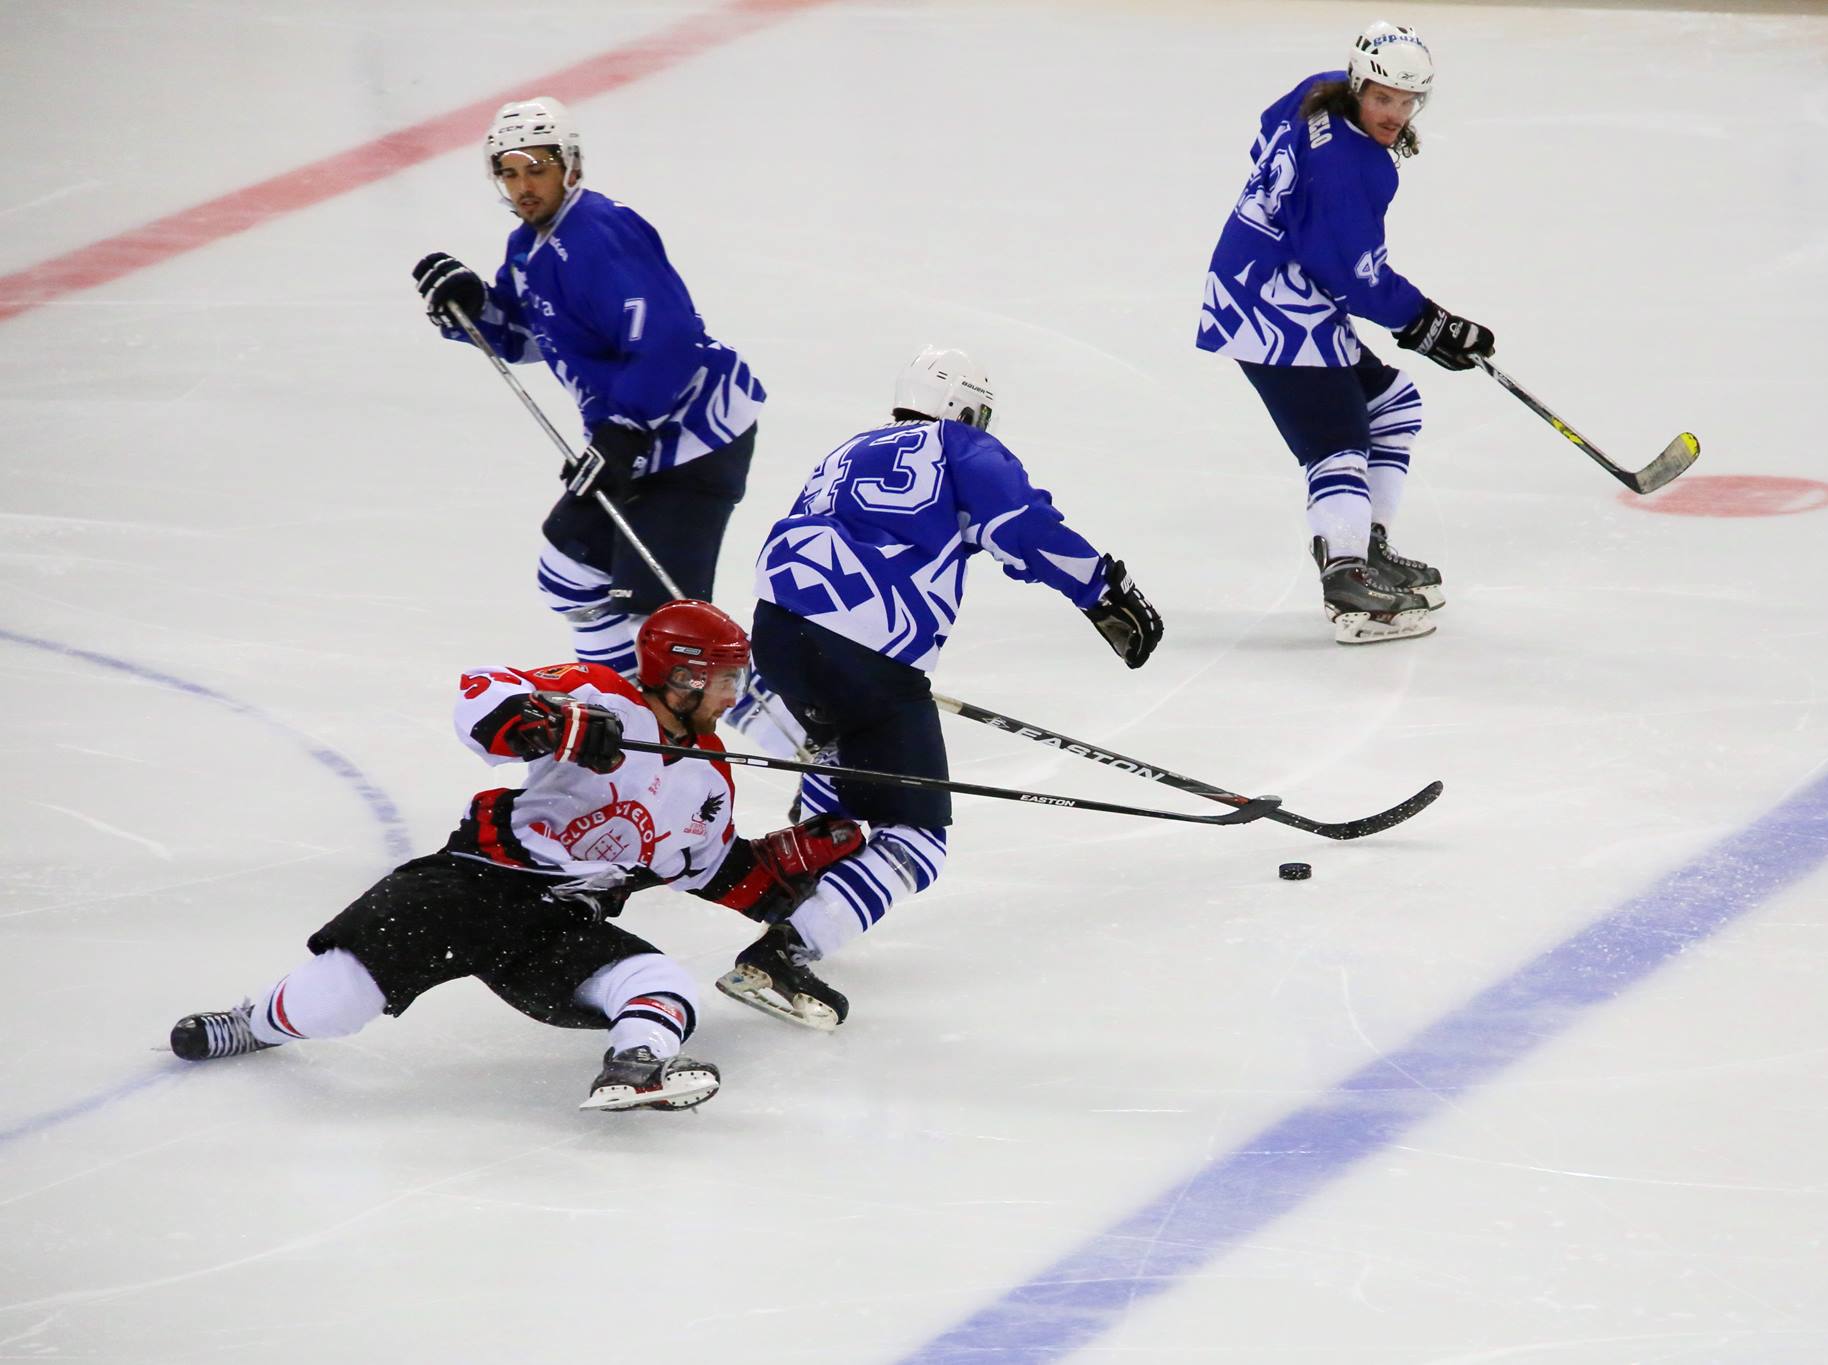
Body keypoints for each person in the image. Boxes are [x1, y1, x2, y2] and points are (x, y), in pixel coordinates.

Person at [167, 601, 864, 1113]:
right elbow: (481, 692)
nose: (735, 694)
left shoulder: (709, 774)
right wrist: (550, 724)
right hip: (472, 885)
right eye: (723, 679)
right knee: (341, 1000)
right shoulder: (600, 695)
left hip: (559, 925)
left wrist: (782, 868)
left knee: (662, 982)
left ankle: (636, 1062)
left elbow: (705, 868)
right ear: (681, 678)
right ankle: (248, 1023)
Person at [720, 346, 1163, 1029]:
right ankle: (788, 949)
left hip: (775, 632)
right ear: (962, 407)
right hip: (868, 657)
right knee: (917, 838)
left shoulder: (847, 450)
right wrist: (1107, 590)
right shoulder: (959, 446)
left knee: (836, 750)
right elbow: (1022, 529)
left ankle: (803, 875)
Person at [410, 97, 766, 674]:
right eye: (510, 172)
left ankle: (777, 735)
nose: (523, 185)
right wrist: (474, 309)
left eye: (537, 168)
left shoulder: (599, 233)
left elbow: (668, 338)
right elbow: (533, 337)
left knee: (668, 631)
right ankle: (627, 711)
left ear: (570, 166)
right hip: (636, 444)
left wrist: (624, 430)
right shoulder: (527, 247)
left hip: (695, 440)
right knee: (569, 572)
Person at [1196, 22, 1495, 645]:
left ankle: (1367, 547)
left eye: (1409, 100)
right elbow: (1357, 278)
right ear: (1361, 84)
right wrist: (1428, 321)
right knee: (1338, 441)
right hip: (1273, 307)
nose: (1396, 112)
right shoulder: (1354, 168)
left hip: (1269, 285)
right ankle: (1347, 579)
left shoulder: (1318, 91)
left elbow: (1263, 135)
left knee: (1392, 405)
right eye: (1384, 97)